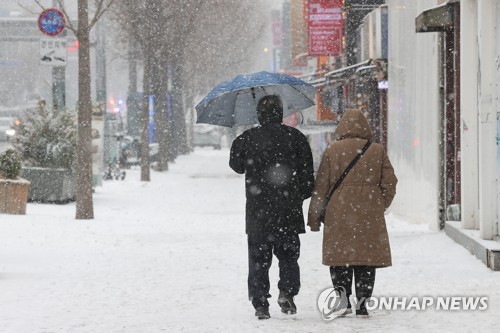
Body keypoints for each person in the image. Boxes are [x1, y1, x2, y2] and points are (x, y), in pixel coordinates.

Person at [229, 95, 314, 320]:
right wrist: (296, 197)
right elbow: (307, 180)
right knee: (288, 256)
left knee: (258, 259)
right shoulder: (296, 138)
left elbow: (236, 166)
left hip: (259, 212)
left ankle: (260, 302)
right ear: (281, 113)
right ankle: (287, 291)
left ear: (259, 115)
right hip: (288, 211)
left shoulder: (248, 139)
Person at [308, 109, 397, 317]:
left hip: (337, 213)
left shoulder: (332, 151)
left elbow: (321, 187)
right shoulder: (376, 150)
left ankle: (343, 301)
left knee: (340, 259)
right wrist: (379, 203)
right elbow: (390, 183)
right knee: (366, 259)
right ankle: (363, 303)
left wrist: (314, 219)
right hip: (369, 213)